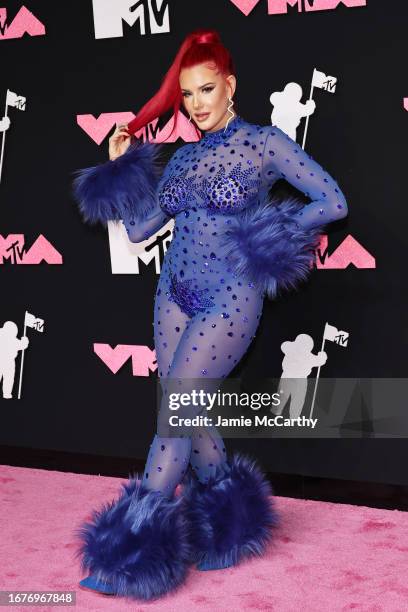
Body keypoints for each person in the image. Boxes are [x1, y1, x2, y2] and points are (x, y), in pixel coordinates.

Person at [72, 28, 348, 601]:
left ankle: (131, 554)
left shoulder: (264, 143)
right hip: (173, 291)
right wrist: (123, 170)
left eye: (206, 90)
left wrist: (268, 235)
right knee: (189, 413)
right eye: (187, 94)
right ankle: (229, 525)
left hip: (230, 297)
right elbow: (143, 228)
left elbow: (332, 201)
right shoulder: (182, 158)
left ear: (230, 86)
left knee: (174, 418)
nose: (197, 104)